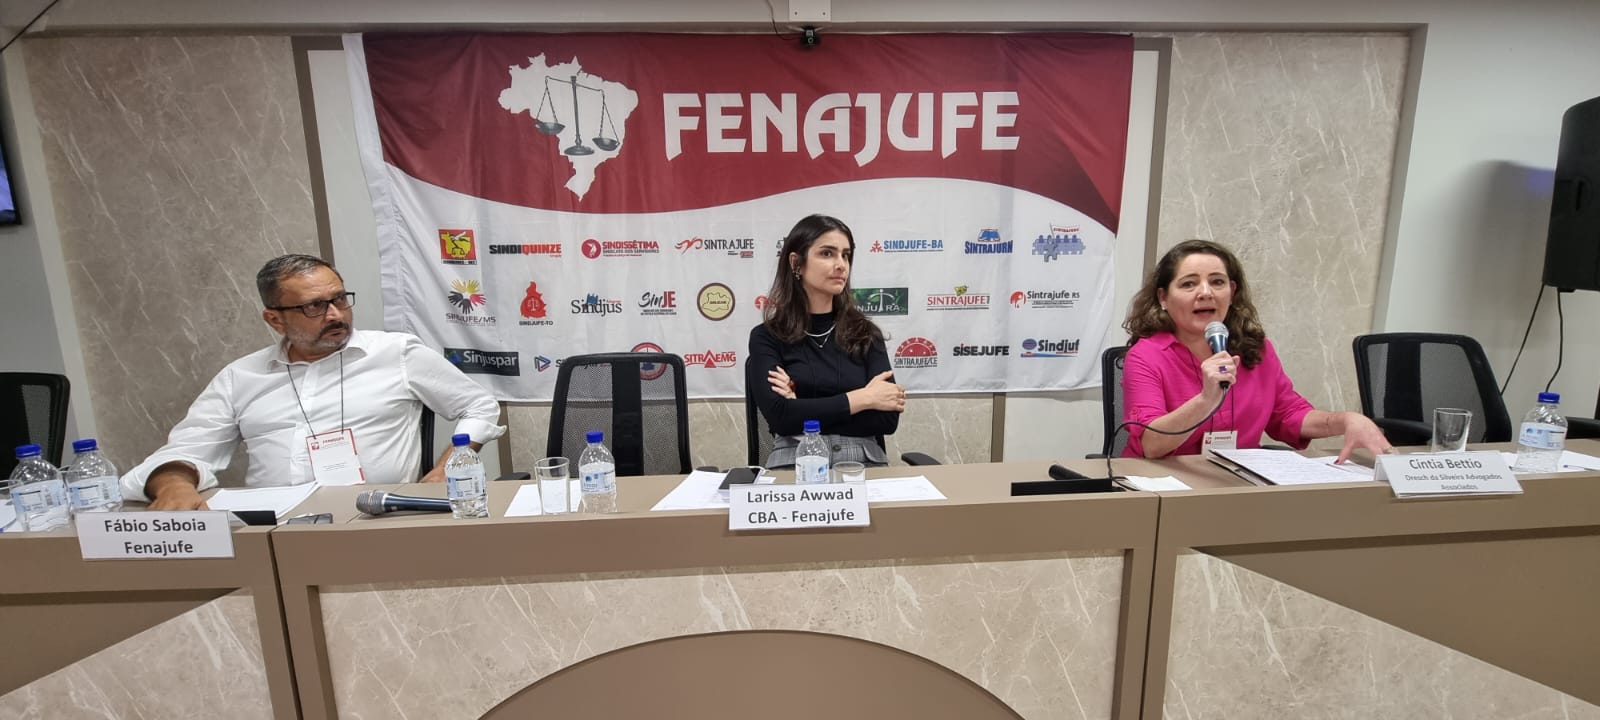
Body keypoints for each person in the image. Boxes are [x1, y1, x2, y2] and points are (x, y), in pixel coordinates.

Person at [120, 254, 505, 510]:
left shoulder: (395, 353)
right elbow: (187, 450)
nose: (335, 315)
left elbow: (479, 405)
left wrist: (450, 466)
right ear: (274, 319)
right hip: (275, 527)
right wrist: (173, 483)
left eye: (340, 299)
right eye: (314, 306)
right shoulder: (241, 377)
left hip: (376, 517)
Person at [1120, 239, 1390, 461]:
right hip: (1163, 485)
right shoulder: (1146, 356)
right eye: (1188, 284)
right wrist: (1206, 399)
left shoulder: (1255, 349)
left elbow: (1288, 414)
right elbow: (1151, 445)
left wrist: (1346, 421)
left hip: (1234, 482)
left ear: (1232, 292)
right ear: (1163, 298)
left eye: (1217, 282)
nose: (1205, 293)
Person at [746, 214, 904, 467]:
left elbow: (887, 421)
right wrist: (865, 398)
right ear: (796, 263)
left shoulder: (866, 334)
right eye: (827, 253)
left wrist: (802, 409)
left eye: (846, 255)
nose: (841, 264)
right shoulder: (767, 336)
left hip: (861, 462)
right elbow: (780, 418)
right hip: (794, 460)